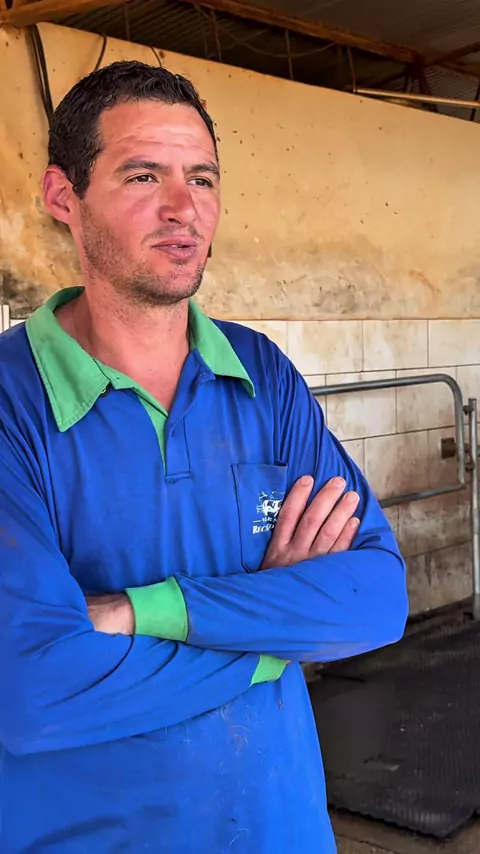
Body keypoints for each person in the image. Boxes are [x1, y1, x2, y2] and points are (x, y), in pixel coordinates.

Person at [0, 61, 408, 854]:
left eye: (203, 178)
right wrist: (274, 635)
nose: (183, 208)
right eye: (143, 175)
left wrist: (137, 613)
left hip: (282, 830)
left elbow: (377, 597)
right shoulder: (13, 401)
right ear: (63, 196)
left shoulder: (261, 374)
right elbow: (33, 691)